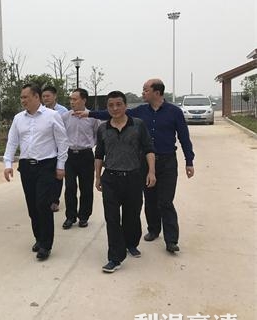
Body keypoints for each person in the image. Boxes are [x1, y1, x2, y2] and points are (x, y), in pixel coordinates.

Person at [77, 79, 194, 253]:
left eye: (146, 90)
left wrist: (189, 161)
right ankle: (153, 229)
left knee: (165, 201)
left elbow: (184, 136)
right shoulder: (140, 111)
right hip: (143, 162)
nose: (143, 93)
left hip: (167, 161)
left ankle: (171, 240)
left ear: (157, 92)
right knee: (150, 199)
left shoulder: (174, 112)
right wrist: (89, 114)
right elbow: (115, 112)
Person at [4, 84, 69, 261]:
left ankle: (46, 245)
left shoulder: (52, 116)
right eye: (21, 97)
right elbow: (12, 142)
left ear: (36, 97)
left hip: (46, 165)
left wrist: (61, 165)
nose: (23, 100)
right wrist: (8, 163)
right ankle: (39, 238)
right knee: (32, 206)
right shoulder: (18, 118)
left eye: (25, 97)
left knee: (43, 204)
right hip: (26, 166)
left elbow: (62, 142)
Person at [95, 91, 156, 273]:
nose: (115, 108)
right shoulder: (103, 128)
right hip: (110, 179)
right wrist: (97, 177)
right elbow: (99, 155)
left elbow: (148, 149)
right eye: (111, 105)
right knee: (112, 218)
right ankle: (115, 257)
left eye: (118, 104)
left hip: (133, 178)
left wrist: (151, 171)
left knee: (132, 216)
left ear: (125, 106)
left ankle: (131, 243)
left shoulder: (138, 125)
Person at [61, 88, 101, 229]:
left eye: (75, 99)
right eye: (71, 99)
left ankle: (84, 216)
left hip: (86, 155)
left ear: (84, 100)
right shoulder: (65, 117)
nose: (72, 102)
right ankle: (70, 217)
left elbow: (98, 135)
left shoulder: (92, 118)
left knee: (86, 188)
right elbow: (61, 135)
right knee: (70, 187)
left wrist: (91, 145)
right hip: (70, 156)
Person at [41, 85, 69, 212]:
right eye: (43, 96)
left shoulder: (62, 111)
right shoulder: (40, 111)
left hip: (59, 148)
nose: (45, 98)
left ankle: (54, 201)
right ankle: (45, 198)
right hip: (45, 148)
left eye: (48, 96)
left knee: (58, 174)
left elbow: (65, 131)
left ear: (55, 96)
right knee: (46, 175)